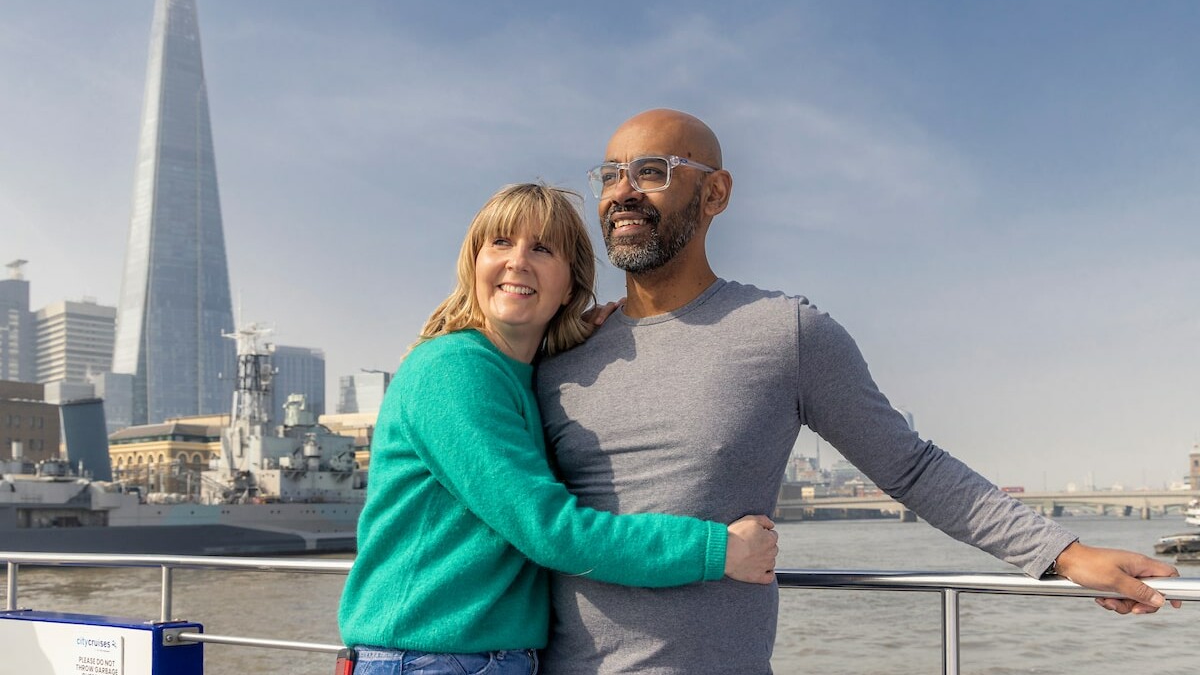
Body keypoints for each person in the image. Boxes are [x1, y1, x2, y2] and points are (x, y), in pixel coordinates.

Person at [535, 109, 1181, 674]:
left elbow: (912, 467)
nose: (621, 192)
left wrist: (1063, 553)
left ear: (716, 193)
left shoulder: (784, 333)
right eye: (610, 174)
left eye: (651, 170)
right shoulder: (561, 348)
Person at [338, 182, 778, 675]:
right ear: (473, 263)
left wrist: (580, 341)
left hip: (473, 658)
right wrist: (718, 551)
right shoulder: (454, 370)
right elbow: (550, 531)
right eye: (500, 243)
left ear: (569, 285)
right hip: (430, 660)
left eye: (542, 249)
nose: (518, 262)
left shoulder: (517, 376)